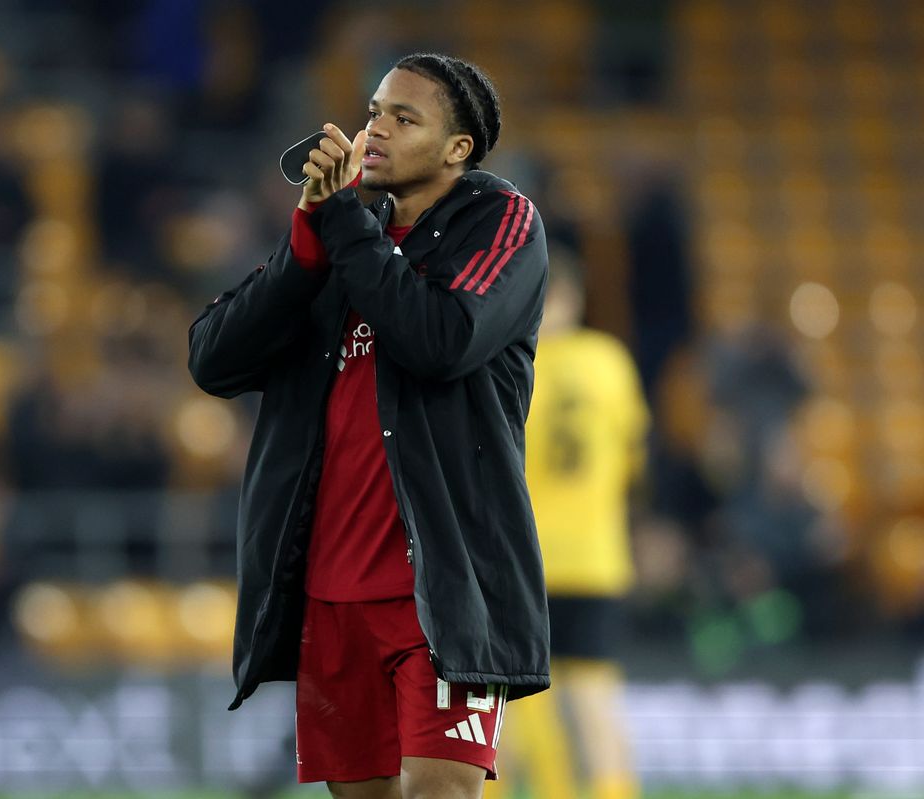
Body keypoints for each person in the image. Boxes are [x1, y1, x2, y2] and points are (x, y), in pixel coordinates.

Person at [189, 53, 550, 798]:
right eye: (375, 111)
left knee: (438, 792)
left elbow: (440, 338)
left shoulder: (502, 220)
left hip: (447, 590)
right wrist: (306, 245)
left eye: (403, 117)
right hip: (332, 593)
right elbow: (213, 359)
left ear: (458, 149)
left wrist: (345, 222)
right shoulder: (340, 241)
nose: (374, 129)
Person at [486, 247, 649, 799]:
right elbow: (632, 459)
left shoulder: (507, 360)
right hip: (597, 558)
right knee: (595, 694)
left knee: (502, 698)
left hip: (521, 559)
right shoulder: (611, 362)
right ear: (574, 299)